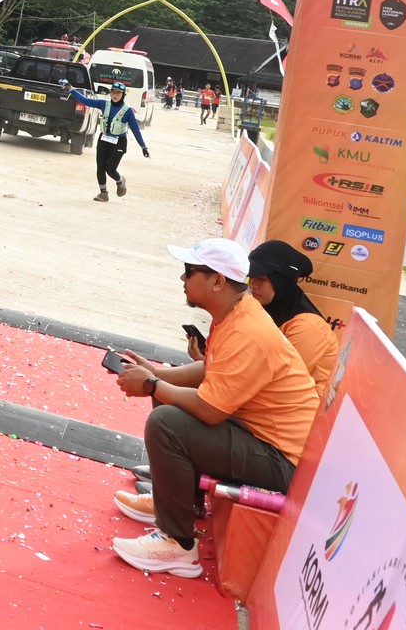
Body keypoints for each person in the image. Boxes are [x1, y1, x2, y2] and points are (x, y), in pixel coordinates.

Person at [106, 238, 319, 578]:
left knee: (166, 420)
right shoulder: (235, 313)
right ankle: (177, 506)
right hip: (266, 442)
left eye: (189, 271)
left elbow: (209, 410)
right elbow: (211, 369)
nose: (183, 279)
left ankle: (178, 544)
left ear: (217, 281)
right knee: (170, 398)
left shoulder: (248, 330)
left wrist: (152, 384)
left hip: (285, 462)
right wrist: (157, 374)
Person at [248, 240, 339, 395]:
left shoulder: (306, 326)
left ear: (281, 282)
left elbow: (280, 380)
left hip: (307, 406)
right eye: (251, 276)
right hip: (269, 400)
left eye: (262, 279)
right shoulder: (262, 307)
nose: (253, 284)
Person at [63, 79, 149, 201]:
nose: (115, 95)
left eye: (118, 93)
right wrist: (71, 89)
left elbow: (136, 130)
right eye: (113, 92)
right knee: (100, 168)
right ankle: (103, 193)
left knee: (110, 170)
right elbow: (86, 101)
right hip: (104, 140)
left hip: (119, 142)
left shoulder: (128, 111)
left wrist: (143, 147)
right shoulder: (104, 104)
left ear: (123, 94)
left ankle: (120, 181)